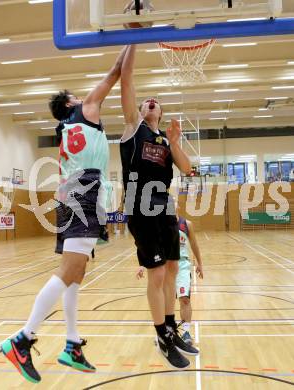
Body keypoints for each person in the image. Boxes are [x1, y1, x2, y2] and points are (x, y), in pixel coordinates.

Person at [0, 46, 128, 383]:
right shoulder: (85, 110)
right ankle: (22, 340)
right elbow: (116, 70)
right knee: (70, 269)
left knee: (76, 272)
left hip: (76, 192)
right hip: (82, 192)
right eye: (76, 94)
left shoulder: (67, 128)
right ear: (72, 103)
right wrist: (134, 34)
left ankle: (71, 345)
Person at [120, 44, 199, 370]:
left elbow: (187, 168)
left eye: (156, 102)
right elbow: (126, 77)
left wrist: (176, 142)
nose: (151, 101)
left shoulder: (165, 143)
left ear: (161, 113)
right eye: (146, 101)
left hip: (165, 208)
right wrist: (134, 40)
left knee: (169, 272)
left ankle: (171, 328)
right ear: (140, 110)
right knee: (155, 274)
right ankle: (161, 337)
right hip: (141, 207)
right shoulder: (132, 128)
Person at [136, 216, 204, 345]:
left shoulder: (186, 224)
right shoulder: (159, 223)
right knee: (165, 302)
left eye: (174, 201)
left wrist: (200, 263)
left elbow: (195, 245)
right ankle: (164, 333)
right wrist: (142, 265)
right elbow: (150, 246)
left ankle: (185, 332)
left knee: (185, 298)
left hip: (182, 265)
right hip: (164, 265)